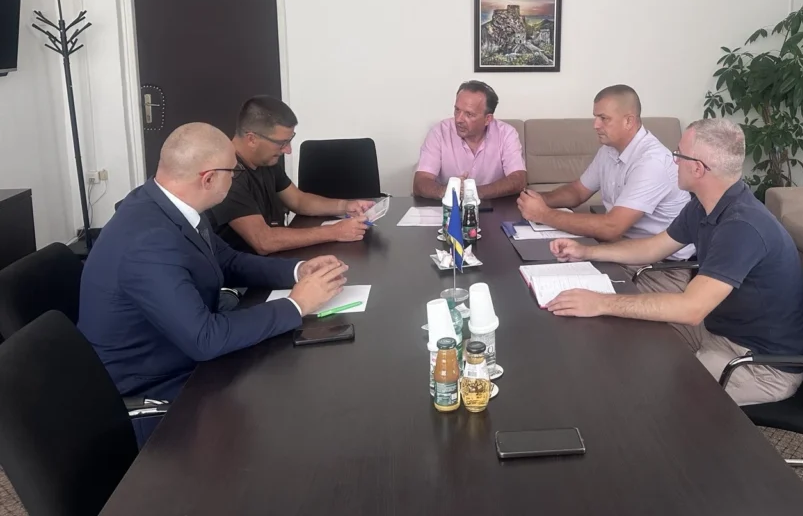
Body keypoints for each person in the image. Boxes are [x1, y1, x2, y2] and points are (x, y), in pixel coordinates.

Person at [78, 123, 347, 443]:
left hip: (182, 351)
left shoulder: (168, 204)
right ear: (208, 179)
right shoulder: (147, 243)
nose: (235, 179)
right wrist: (297, 304)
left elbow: (228, 260)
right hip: (154, 386)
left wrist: (297, 271)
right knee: (288, 414)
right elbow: (205, 338)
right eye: (233, 172)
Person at [544, 118, 803, 406]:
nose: (673, 161)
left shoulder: (742, 226)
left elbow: (690, 309)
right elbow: (652, 248)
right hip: (718, 331)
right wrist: (586, 252)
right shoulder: (704, 205)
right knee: (621, 340)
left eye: (678, 154)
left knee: (652, 397)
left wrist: (600, 302)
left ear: (698, 168)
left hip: (759, 364)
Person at [516, 85, 694, 293]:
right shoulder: (609, 150)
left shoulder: (651, 162)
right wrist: (537, 199)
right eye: (595, 117)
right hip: (620, 251)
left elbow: (612, 227)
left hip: (659, 270)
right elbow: (577, 191)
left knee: (563, 290)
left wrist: (543, 214)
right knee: (539, 272)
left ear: (629, 121)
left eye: (603, 118)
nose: (595, 125)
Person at [208, 96, 375, 254]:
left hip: (271, 260)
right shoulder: (227, 174)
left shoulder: (265, 160)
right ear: (252, 139)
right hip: (243, 270)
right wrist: (335, 231)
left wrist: (345, 206)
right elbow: (263, 241)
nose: (287, 150)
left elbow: (299, 201)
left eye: (289, 141)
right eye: (282, 143)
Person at [413, 80, 527, 200]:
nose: (459, 119)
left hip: (493, 205)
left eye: (469, 114)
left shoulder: (506, 134)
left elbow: (518, 179)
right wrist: (448, 192)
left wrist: (471, 192)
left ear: (487, 119)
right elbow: (420, 182)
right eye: (457, 110)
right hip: (450, 206)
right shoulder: (439, 132)